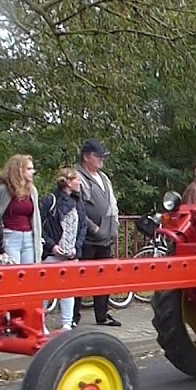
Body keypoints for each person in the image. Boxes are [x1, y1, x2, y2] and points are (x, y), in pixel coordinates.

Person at [75, 140, 122, 327]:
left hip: (105, 236)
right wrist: (93, 227)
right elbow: (77, 207)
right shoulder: (77, 176)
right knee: (80, 277)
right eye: (98, 156)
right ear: (86, 156)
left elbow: (112, 203)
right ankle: (73, 317)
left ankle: (102, 315)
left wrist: (115, 226)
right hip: (87, 237)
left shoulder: (104, 178)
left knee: (104, 277)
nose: (101, 159)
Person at [40, 167, 89, 330]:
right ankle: (40, 323)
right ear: (68, 182)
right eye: (77, 179)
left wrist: (77, 246)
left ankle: (67, 323)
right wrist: (51, 245)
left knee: (68, 290)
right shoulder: (50, 200)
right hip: (52, 254)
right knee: (45, 290)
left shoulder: (78, 202)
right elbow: (40, 225)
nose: (80, 183)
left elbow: (83, 226)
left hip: (71, 254)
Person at [0, 154, 42, 265]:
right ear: (19, 170)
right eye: (29, 169)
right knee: (13, 274)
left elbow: (35, 218)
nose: (33, 172)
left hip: (29, 237)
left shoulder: (32, 190)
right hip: (10, 236)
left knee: (29, 274)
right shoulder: (2, 188)